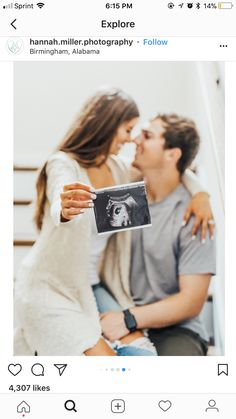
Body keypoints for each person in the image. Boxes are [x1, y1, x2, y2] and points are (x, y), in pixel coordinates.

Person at [14, 89, 214, 356]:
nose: (132, 139)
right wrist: (65, 208)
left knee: (143, 357)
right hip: (51, 287)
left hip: (91, 287)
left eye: (142, 133)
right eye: (129, 129)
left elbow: (171, 173)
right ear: (108, 125)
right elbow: (60, 197)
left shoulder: (120, 172)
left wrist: (201, 193)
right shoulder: (64, 164)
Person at [100, 114, 216, 356]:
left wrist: (129, 319)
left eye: (147, 136)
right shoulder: (130, 198)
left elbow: (192, 301)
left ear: (172, 154)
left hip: (175, 329)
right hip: (116, 311)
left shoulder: (193, 213)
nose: (135, 140)